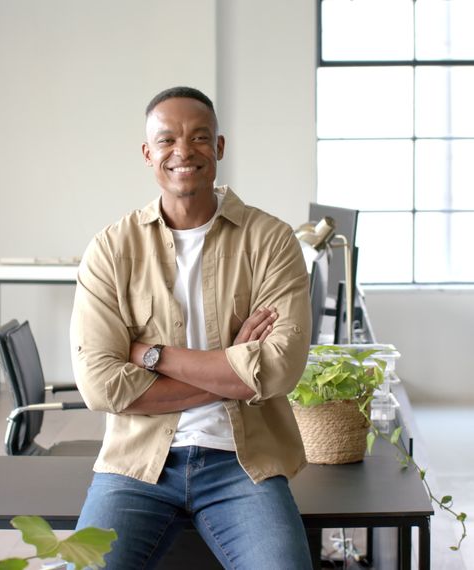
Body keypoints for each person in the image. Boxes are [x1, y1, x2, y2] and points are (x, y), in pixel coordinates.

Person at [70, 86, 313, 568]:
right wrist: (234, 375)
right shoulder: (112, 249)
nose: (184, 151)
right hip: (136, 464)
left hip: (243, 464)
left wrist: (150, 354)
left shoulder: (271, 240)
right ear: (148, 154)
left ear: (219, 148)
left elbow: (280, 368)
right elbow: (100, 386)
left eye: (200, 137)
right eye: (167, 140)